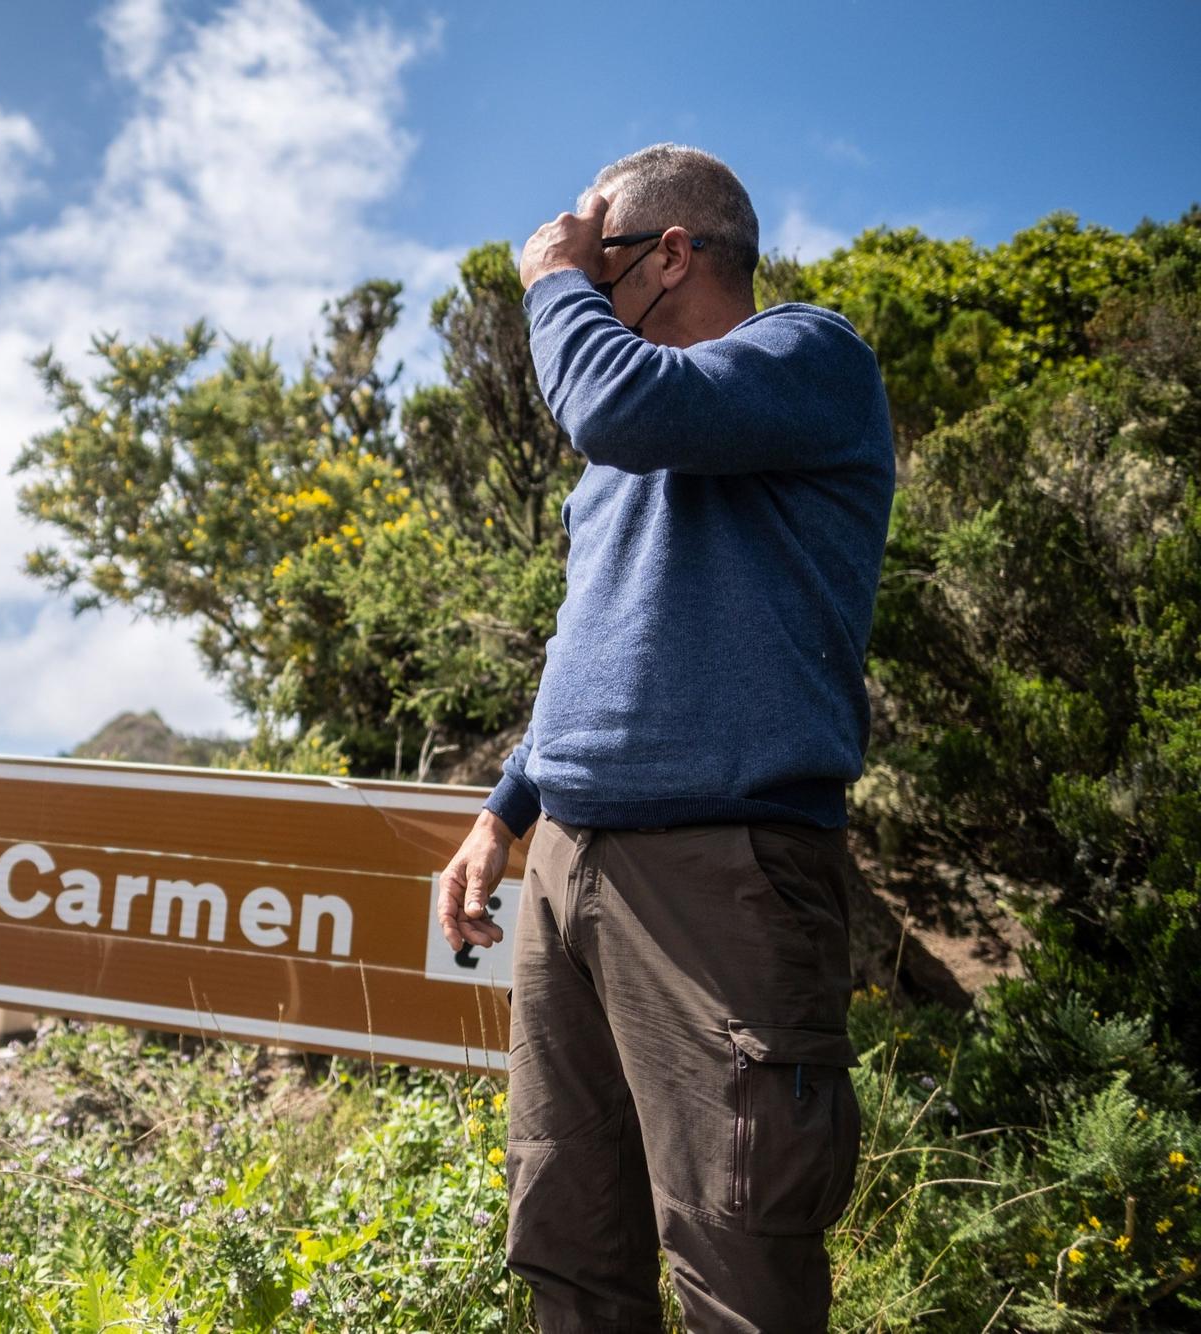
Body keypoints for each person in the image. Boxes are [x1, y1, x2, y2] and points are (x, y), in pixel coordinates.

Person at [434, 144, 896, 1332]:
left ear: (671, 253)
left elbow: (611, 398)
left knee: (739, 1261)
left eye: (602, 260)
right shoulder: (622, 456)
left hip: (723, 873)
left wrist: (549, 278)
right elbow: (590, 645)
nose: (581, 281)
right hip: (567, 861)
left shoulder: (808, 357)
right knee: (567, 1243)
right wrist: (503, 812)